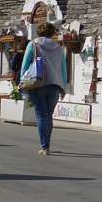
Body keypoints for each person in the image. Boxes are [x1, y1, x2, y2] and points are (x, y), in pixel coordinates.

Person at [20, 22, 68, 155]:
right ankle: (47, 144)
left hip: (38, 83)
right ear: (52, 32)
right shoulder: (59, 48)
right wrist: (64, 86)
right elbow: (63, 69)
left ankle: (45, 146)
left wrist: (22, 83)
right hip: (55, 85)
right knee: (49, 115)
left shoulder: (33, 44)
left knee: (41, 115)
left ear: (39, 32)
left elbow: (25, 65)